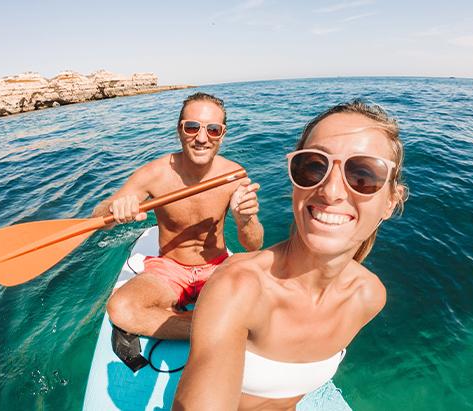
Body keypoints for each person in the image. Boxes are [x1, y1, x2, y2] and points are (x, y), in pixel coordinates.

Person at [174, 100, 407, 410]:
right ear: (295, 182)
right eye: (313, 166)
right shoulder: (240, 286)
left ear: (391, 201)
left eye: (363, 174)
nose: (331, 191)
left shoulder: (368, 297)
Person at [92, 92, 264, 341]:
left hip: (216, 268)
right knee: (121, 308)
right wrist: (113, 210)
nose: (202, 138)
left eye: (213, 130)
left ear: (222, 135)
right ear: (179, 130)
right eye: (192, 127)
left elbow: (254, 245)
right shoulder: (154, 174)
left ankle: (181, 322)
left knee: (263, 300)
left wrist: (245, 219)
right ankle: (221, 326)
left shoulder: (234, 175)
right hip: (170, 270)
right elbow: (99, 220)